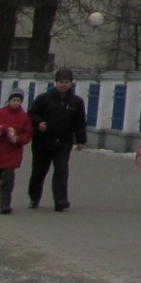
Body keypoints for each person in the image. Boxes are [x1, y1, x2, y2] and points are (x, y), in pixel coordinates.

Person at [26, 70, 89, 211]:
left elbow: (80, 122)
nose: (63, 85)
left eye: (66, 82)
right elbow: (32, 114)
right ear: (56, 83)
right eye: (61, 82)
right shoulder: (43, 98)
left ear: (71, 83)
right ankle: (34, 197)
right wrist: (39, 123)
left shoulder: (77, 101)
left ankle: (60, 200)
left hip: (63, 141)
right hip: (42, 141)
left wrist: (81, 140)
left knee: (61, 170)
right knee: (39, 171)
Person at [0, 91, 30, 213]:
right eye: (14, 100)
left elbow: (28, 133)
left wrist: (18, 139)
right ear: (9, 101)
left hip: (12, 152)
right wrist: (2, 129)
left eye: (18, 101)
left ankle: (5, 204)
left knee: (8, 179)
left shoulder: (24, 117)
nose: (16, 103)